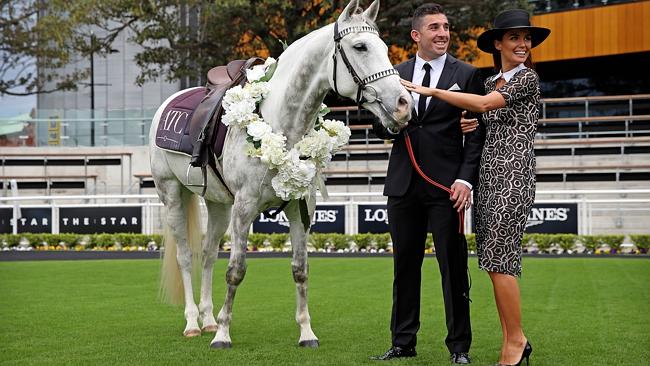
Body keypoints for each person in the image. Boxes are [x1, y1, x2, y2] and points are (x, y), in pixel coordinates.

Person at [402, 9, 550, 366]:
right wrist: (470, 127)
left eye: (526, 38)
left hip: (512, 178)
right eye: (514, 38)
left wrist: (429, 90)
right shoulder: (490, 82)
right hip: (488, 179)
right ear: (497, 44)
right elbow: (480, 119)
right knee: (494, 262)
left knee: (501, 262)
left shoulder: (526, 79)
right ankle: (511, 342)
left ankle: (516, 342)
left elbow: (483, 106)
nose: (523, 44)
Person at [370, 3, 485, 364]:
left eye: (446, 27)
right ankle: (403, 343)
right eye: (434, 27)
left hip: (446, 187)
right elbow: (378, 124)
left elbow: (477, 132)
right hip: (403, 185)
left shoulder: (466, 74)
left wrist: (466, 179)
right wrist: (391, 121)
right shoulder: (393, 73)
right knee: (404, 267)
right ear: (416, 36)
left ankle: (459, 348)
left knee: (453, 269)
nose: (443, 33)